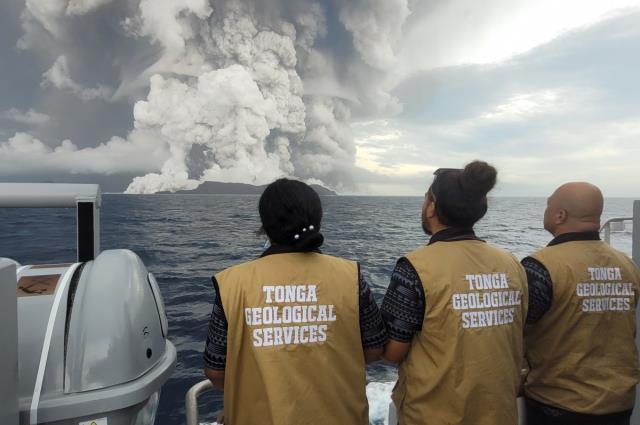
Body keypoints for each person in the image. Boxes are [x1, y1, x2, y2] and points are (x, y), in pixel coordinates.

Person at [202, 178, 387, 425]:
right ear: (318, 220)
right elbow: (375, 349)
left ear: (265, 226)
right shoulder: (350, 277)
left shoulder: (232, 283)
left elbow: (216, 372)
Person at [381, 160, 528, 425]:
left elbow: (393, 351)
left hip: (433, 415)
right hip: (499, 413)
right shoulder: (512, 264)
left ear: (432, 207)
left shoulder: (415, 267)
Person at [522, 182, 640, 425]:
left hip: (558, 403)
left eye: (547, 205)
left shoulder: (540, 266)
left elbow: (519, 329)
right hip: (619, 403)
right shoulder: (627, 265)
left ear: (560, 215)